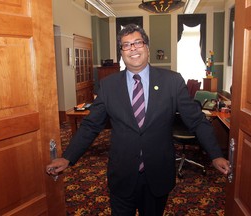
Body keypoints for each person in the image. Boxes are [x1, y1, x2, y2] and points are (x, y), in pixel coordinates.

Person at [46, 24, 230, 216]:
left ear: (147, 48)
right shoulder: (108, 86)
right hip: (122, 173)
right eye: (126, 45)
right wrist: (68, 156)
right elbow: (91, 125)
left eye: (137, 43)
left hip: (158, 174)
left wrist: (215, 154)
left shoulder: (172, 82)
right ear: (121, 52)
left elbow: (197, 121)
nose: (132, 48)